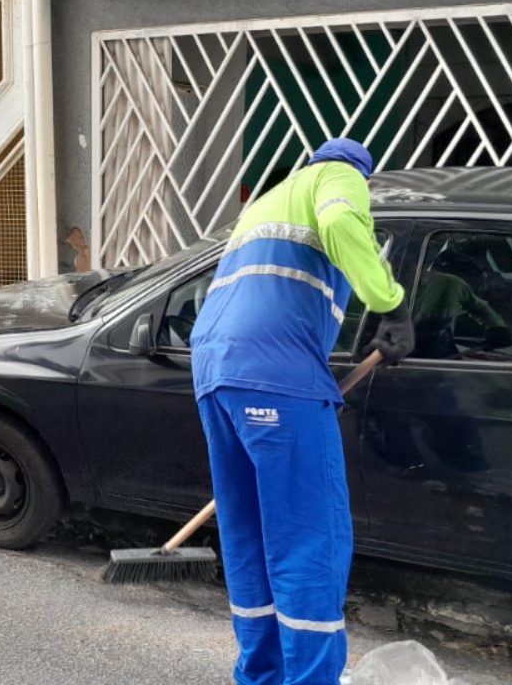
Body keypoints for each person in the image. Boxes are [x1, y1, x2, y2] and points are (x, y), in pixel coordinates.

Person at [189, 138, 415, 684]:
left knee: (250, 534)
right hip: (277, 373)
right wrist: (394, 307)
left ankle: (260, 676)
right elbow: (341, 226)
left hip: (214, 370)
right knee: (311, 538)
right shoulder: (340, 178)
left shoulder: (268, 200)